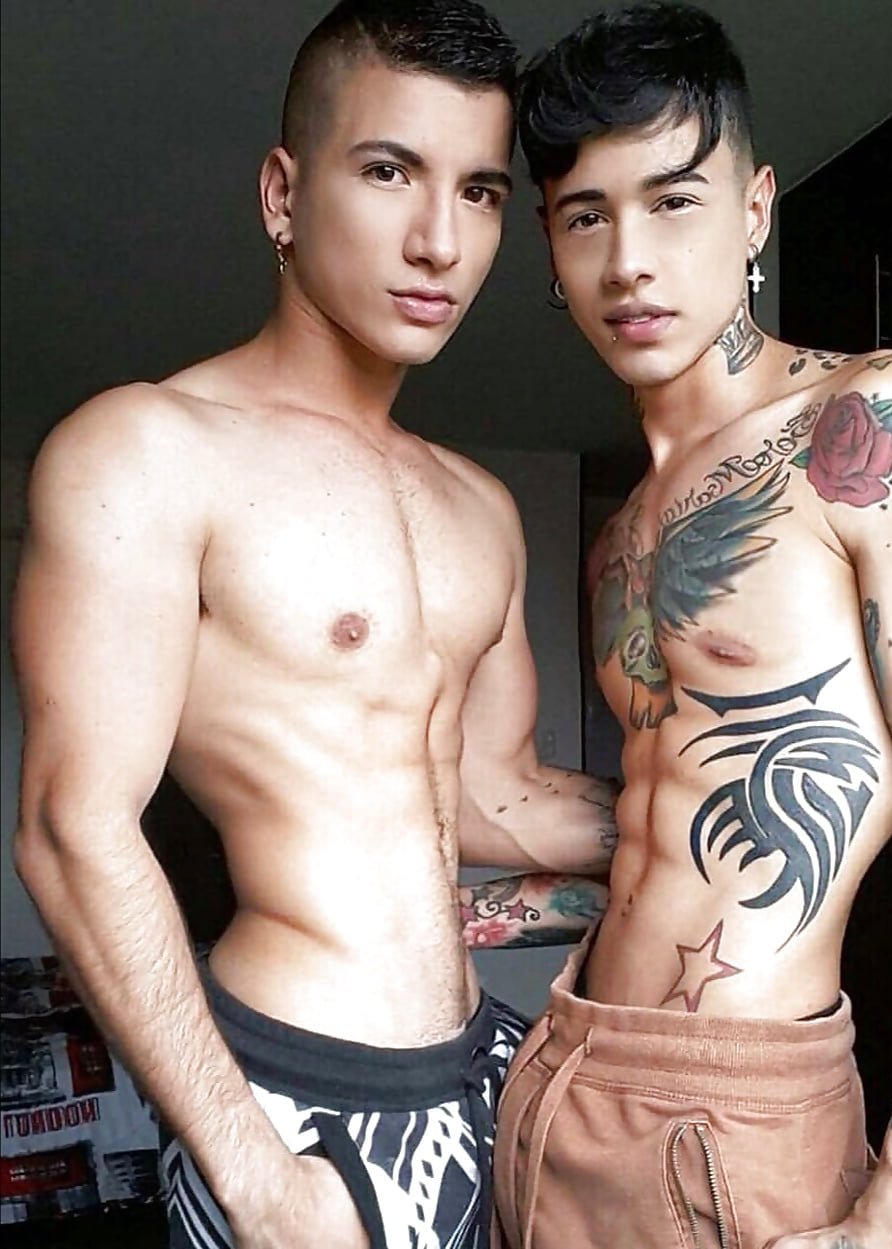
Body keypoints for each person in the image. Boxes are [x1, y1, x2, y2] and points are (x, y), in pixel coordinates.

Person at [10, 4, 616, 1247]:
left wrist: (710, 797)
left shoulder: (478, 507)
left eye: (480, 192)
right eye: (388, 171)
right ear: (283, 194)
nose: (439, 240)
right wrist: (254, 1173)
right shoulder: (145, 452)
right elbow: (73, 829)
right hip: (291, 1104)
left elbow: (493, 795)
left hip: (480, 1069)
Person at [493, 5, 892, 1248]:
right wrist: (465, 916)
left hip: (737, 1114)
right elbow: (667, 838)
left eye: (673, 201)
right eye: (585, 216)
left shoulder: (882, 426)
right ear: (550, 247)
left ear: (756, 208)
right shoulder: (621, 536)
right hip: (565, 1069)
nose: (629, 262)